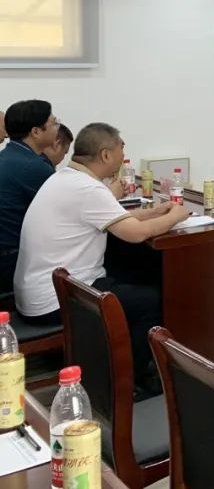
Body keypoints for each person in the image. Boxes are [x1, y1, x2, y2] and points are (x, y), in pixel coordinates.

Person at [15, 122, 189, 389]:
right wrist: (176, 215)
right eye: (121, 148)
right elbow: (135, 233)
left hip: (40, 291)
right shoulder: (88, 189)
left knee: (133, 273)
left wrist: (155, 213)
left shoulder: (66, 178)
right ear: (106, 155)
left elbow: (114, 218)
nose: (123, 154)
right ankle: (129, 380)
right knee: (152, 301)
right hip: (55, 300)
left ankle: (123, 361)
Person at [0, 100, 60, 293]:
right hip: (12, 262)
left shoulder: (8, 156)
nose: (58, 128)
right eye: (54, 123)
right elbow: (67, 212)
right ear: (36, 132)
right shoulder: (33, 167)